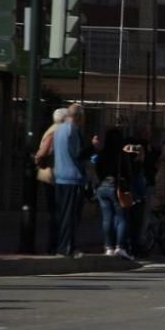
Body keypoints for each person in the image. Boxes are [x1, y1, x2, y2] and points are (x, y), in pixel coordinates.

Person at [53, 104, 97, 258]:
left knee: (63, 214)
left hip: (60, 176)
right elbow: (79, 154)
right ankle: (67, 247)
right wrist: (92, 147)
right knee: (71, 216)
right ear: (79, 116)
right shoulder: (74, 130)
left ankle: (62, 245)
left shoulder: (58, 130)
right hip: (72, 178)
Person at [95, 128, 135, 260]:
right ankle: (120, 247)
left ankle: (108, 247)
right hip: (117, 187)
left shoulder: (102, 153)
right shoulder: (121, 154)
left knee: (107, 218)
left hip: (102, 187)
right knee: (121, 217)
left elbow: (97, 169)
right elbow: (128, 172)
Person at [34, 108, 68, 254]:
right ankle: (54, 245)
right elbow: (43, 154)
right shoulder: (57, 131)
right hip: (54, 176)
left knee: (55, 211)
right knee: (57, 212)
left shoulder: (52, 129)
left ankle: (54, 244)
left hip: (50, 175)